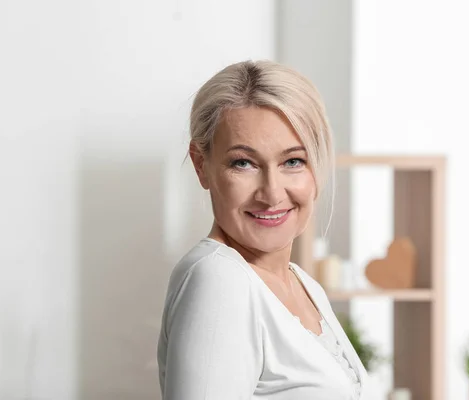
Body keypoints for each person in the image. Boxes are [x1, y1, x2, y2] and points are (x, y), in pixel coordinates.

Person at [157, 60, 367, 400]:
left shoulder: (304, 284)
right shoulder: (219, 279)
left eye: (293, 162)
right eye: (244, 162)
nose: (271, 194)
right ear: (201, 166)